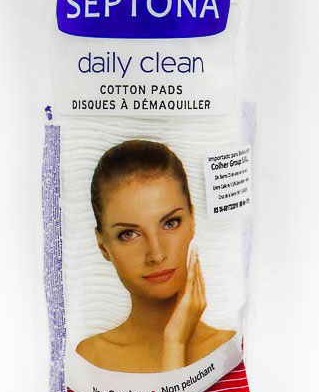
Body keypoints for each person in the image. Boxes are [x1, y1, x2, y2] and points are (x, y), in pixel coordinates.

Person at [76, 139, 235, 373]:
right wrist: (175, 343)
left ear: (192, 220)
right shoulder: (90, 360)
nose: (156, 254)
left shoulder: (233, 351)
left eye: (170, 223)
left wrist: (176, 341)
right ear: (103, 246)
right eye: (129, 234)